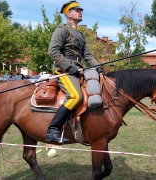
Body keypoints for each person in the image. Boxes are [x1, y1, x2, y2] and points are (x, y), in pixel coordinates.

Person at [45, 0, 104, 143]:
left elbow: (88, 56)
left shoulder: (81, 35)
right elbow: (52, 51)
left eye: (81, 10)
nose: (81, 12)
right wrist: (67, 66)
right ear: (69, 14)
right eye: (77, 10)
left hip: (78, 70)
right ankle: (52, 130)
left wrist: (98, 67)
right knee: (75, 96)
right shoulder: (61, 29)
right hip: (64, 70)